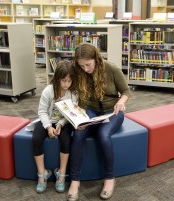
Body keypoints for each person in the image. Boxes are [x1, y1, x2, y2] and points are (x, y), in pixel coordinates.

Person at [67, 43, 130, 201]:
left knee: (103, 135)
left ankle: (109, 179)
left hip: (112, 110)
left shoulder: (111, 68)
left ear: (96, 59)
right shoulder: (78, 70)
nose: (85, 69)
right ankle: (75, 181)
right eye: (81, 65)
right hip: (91, 110)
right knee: (79, 132)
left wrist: (121, 101)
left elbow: (126, 91)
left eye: (88, 64)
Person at [32, 60, 78, 193]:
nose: (66, 84)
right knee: (36, 139)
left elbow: (71, 113)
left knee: (66, 140)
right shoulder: (48, 91)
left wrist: (61, 123)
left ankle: (61, 174)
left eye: (69, 81)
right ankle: (42, 174)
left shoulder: (73, 93)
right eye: (63, 81)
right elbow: (42, 111)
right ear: (57, 78)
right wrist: (48, 127)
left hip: (64, 121)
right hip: (47, 120)